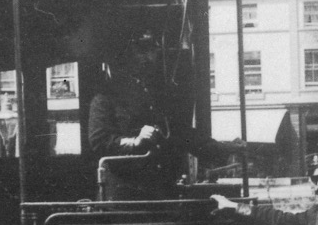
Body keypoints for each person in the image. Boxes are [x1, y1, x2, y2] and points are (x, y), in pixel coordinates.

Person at [88, 30, 244, 200]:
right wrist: (135, 142)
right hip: (122, 194)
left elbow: (179, 134)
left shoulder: (155, 96)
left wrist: (221, 149)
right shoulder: (104, 98)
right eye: (142, 51)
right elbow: (100, 141)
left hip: (158, 190)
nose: (149, 58)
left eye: (152, 51)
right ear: (126, 57)